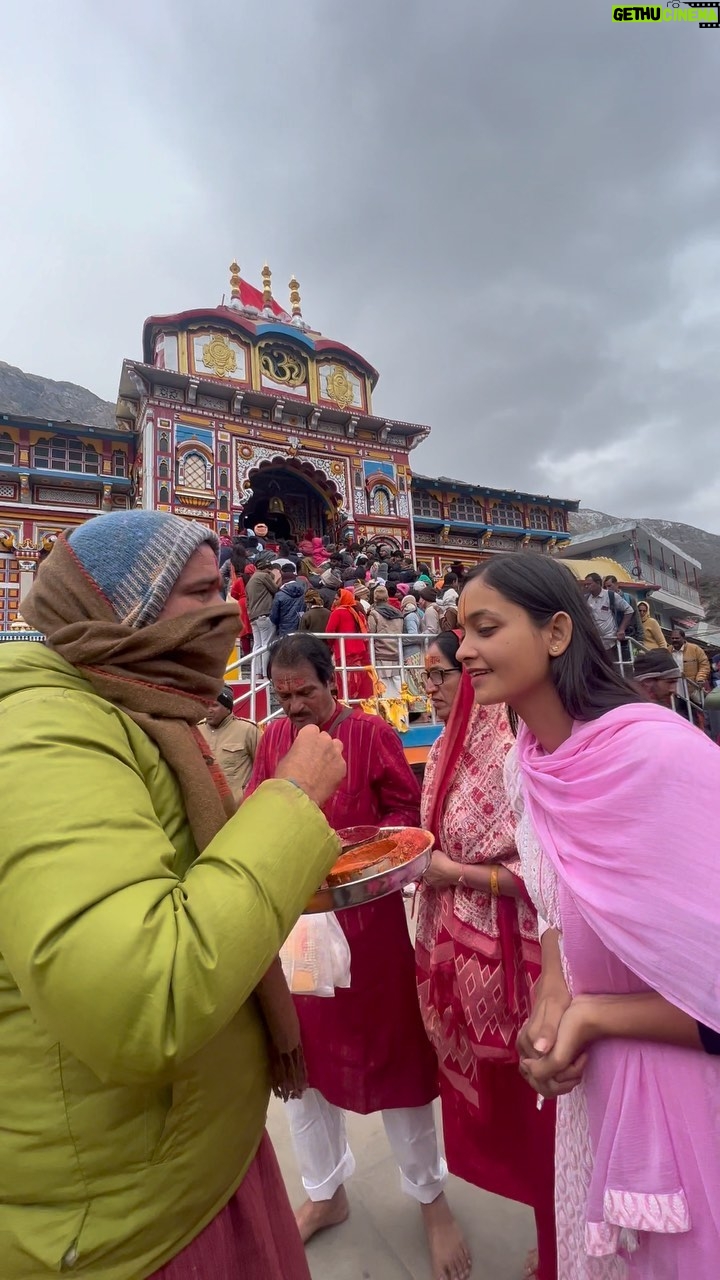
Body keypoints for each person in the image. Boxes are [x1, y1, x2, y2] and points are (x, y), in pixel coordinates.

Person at [0, 509, 347, 1280]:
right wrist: (290, 808)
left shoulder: (133, 707)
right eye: (199, 596)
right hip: (128, 1220)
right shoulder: (44, 734)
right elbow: (136, 996)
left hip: (180, 1158)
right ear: (127, 608)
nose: (225, 615)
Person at [457, 552, 720, 1279]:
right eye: (459, 632)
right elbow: (555, 904)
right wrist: (552, 997)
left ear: (557, 631)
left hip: (689, 1100)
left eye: (485, 628)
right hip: (597, 1096)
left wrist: (597, 1017)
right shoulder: (529, 765)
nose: (463, 650)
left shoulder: (656, 756)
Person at [245, 634, 469, 1280]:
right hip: (299, 928)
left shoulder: (369, 734)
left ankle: (430, 1198)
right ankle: (325, 1192)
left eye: (306, 693)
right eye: (283, 697)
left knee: (395, 1061)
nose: (295, 709)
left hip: (367, 929)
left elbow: (405, 814)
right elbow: (262, 813)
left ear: (331, 682)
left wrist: (354, 851)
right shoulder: (271, 742)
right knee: (301, 1068)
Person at [417, 631, 556, 1280]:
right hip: (461, 957)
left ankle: (560, 1237)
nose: (433, 689)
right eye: (425, 679)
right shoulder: (444, 747)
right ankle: (550, 1223)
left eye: (440, 674)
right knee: (507, 1111)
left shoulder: (514, 752)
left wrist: (456, 873)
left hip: (523, 963)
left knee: (543, 1105)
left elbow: (546, 874)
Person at [198, 685, 261, 803]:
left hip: (239, 810)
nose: (209, 709)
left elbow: (263, 769)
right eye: (206, 704)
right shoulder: (196, 730)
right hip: (206, 807)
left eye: (215, 705)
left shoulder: (248, 730)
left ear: (228, 708)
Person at [326, 587, 374, 701]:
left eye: (337, 599)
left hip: (344, 652)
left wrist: (331, 645)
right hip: (360, 652)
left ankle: (348, 706)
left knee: (345, 683)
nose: (334, 602)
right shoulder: (357, 612)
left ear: (343, 599)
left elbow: (329, 632)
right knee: (360, 683)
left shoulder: (338, 612)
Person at [582, 572, 632, 656]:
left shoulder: (610, 595)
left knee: (611, 666)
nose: (587, 586)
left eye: (589, 584)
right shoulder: (585, 598)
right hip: (592, 642)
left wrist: (621, 629)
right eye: (585, 584)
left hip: (609, 642)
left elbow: (629, 610)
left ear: (598, 583)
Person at [368, 584, 404, 699]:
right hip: (397, 653)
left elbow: (370, 635)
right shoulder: (398, 613)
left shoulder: (374, 614)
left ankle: (388, 714)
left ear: (375, 598)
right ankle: (402, 714)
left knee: (384, 687)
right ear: (387, 597)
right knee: (398, 685)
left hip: (381, 654)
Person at [247, 555, 280, 677]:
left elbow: (247, 601)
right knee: (266, 645)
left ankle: (257, 672)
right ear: (267, 568)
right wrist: (273, 577)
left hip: (253, 616)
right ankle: (266, 673)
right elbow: (275, 589)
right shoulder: (264, 576)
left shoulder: (251, 580)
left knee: (257, 645)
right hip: (264, 614)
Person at [270, 569, 306, 638]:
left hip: (284, 628)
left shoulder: (279, 595)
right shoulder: (303, 592)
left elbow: (274, 616)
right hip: (300, 626)